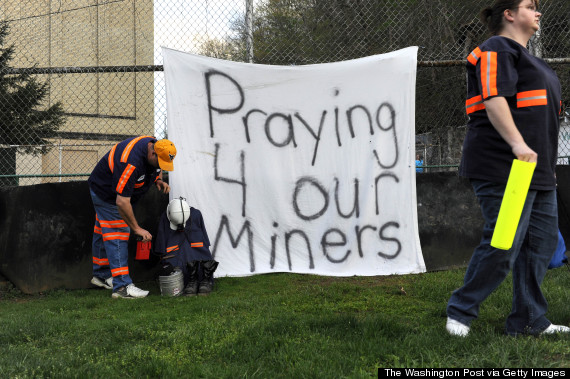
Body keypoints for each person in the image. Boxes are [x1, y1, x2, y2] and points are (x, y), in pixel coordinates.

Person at [446, 0, 570, 336]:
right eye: (531, 5)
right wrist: (517, 145)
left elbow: (542, 121)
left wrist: (549, 167)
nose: (538, 12)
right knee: (504, 243)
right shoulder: (495, 48)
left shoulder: (537, 62)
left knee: (540, 247)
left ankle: (529, 319)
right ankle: (460, 311)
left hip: (538, 172)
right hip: (505, 167)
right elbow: (493, 98)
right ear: (509, 14)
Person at [88, 136, 176, 299]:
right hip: (107, 194)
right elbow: (121, 202)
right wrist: (136, 228)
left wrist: (158, 179)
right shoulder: (130, 162)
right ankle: (122, 287)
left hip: (110, 191)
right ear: (152, 154)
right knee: (118, 232)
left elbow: (155, 168)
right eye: (160, 163)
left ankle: (101, 275)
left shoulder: (154, 144)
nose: (161, 167)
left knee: (102, 229)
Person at [154, 197, 219, 296]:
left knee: (204, 263)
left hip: (196, 259)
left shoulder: (196, 215)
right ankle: (193, 282)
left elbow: (205, 242)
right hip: (175, 262)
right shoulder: (165, 218)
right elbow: (160, 247)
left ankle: (203, 281)